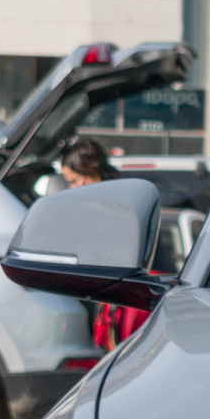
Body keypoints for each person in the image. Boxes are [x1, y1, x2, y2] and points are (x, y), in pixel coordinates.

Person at [58, 136, 151, 352]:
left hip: (122, 307)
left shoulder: (113, 205)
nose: (72, 188)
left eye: (74, 181)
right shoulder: (116, 196)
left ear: (89, 171)